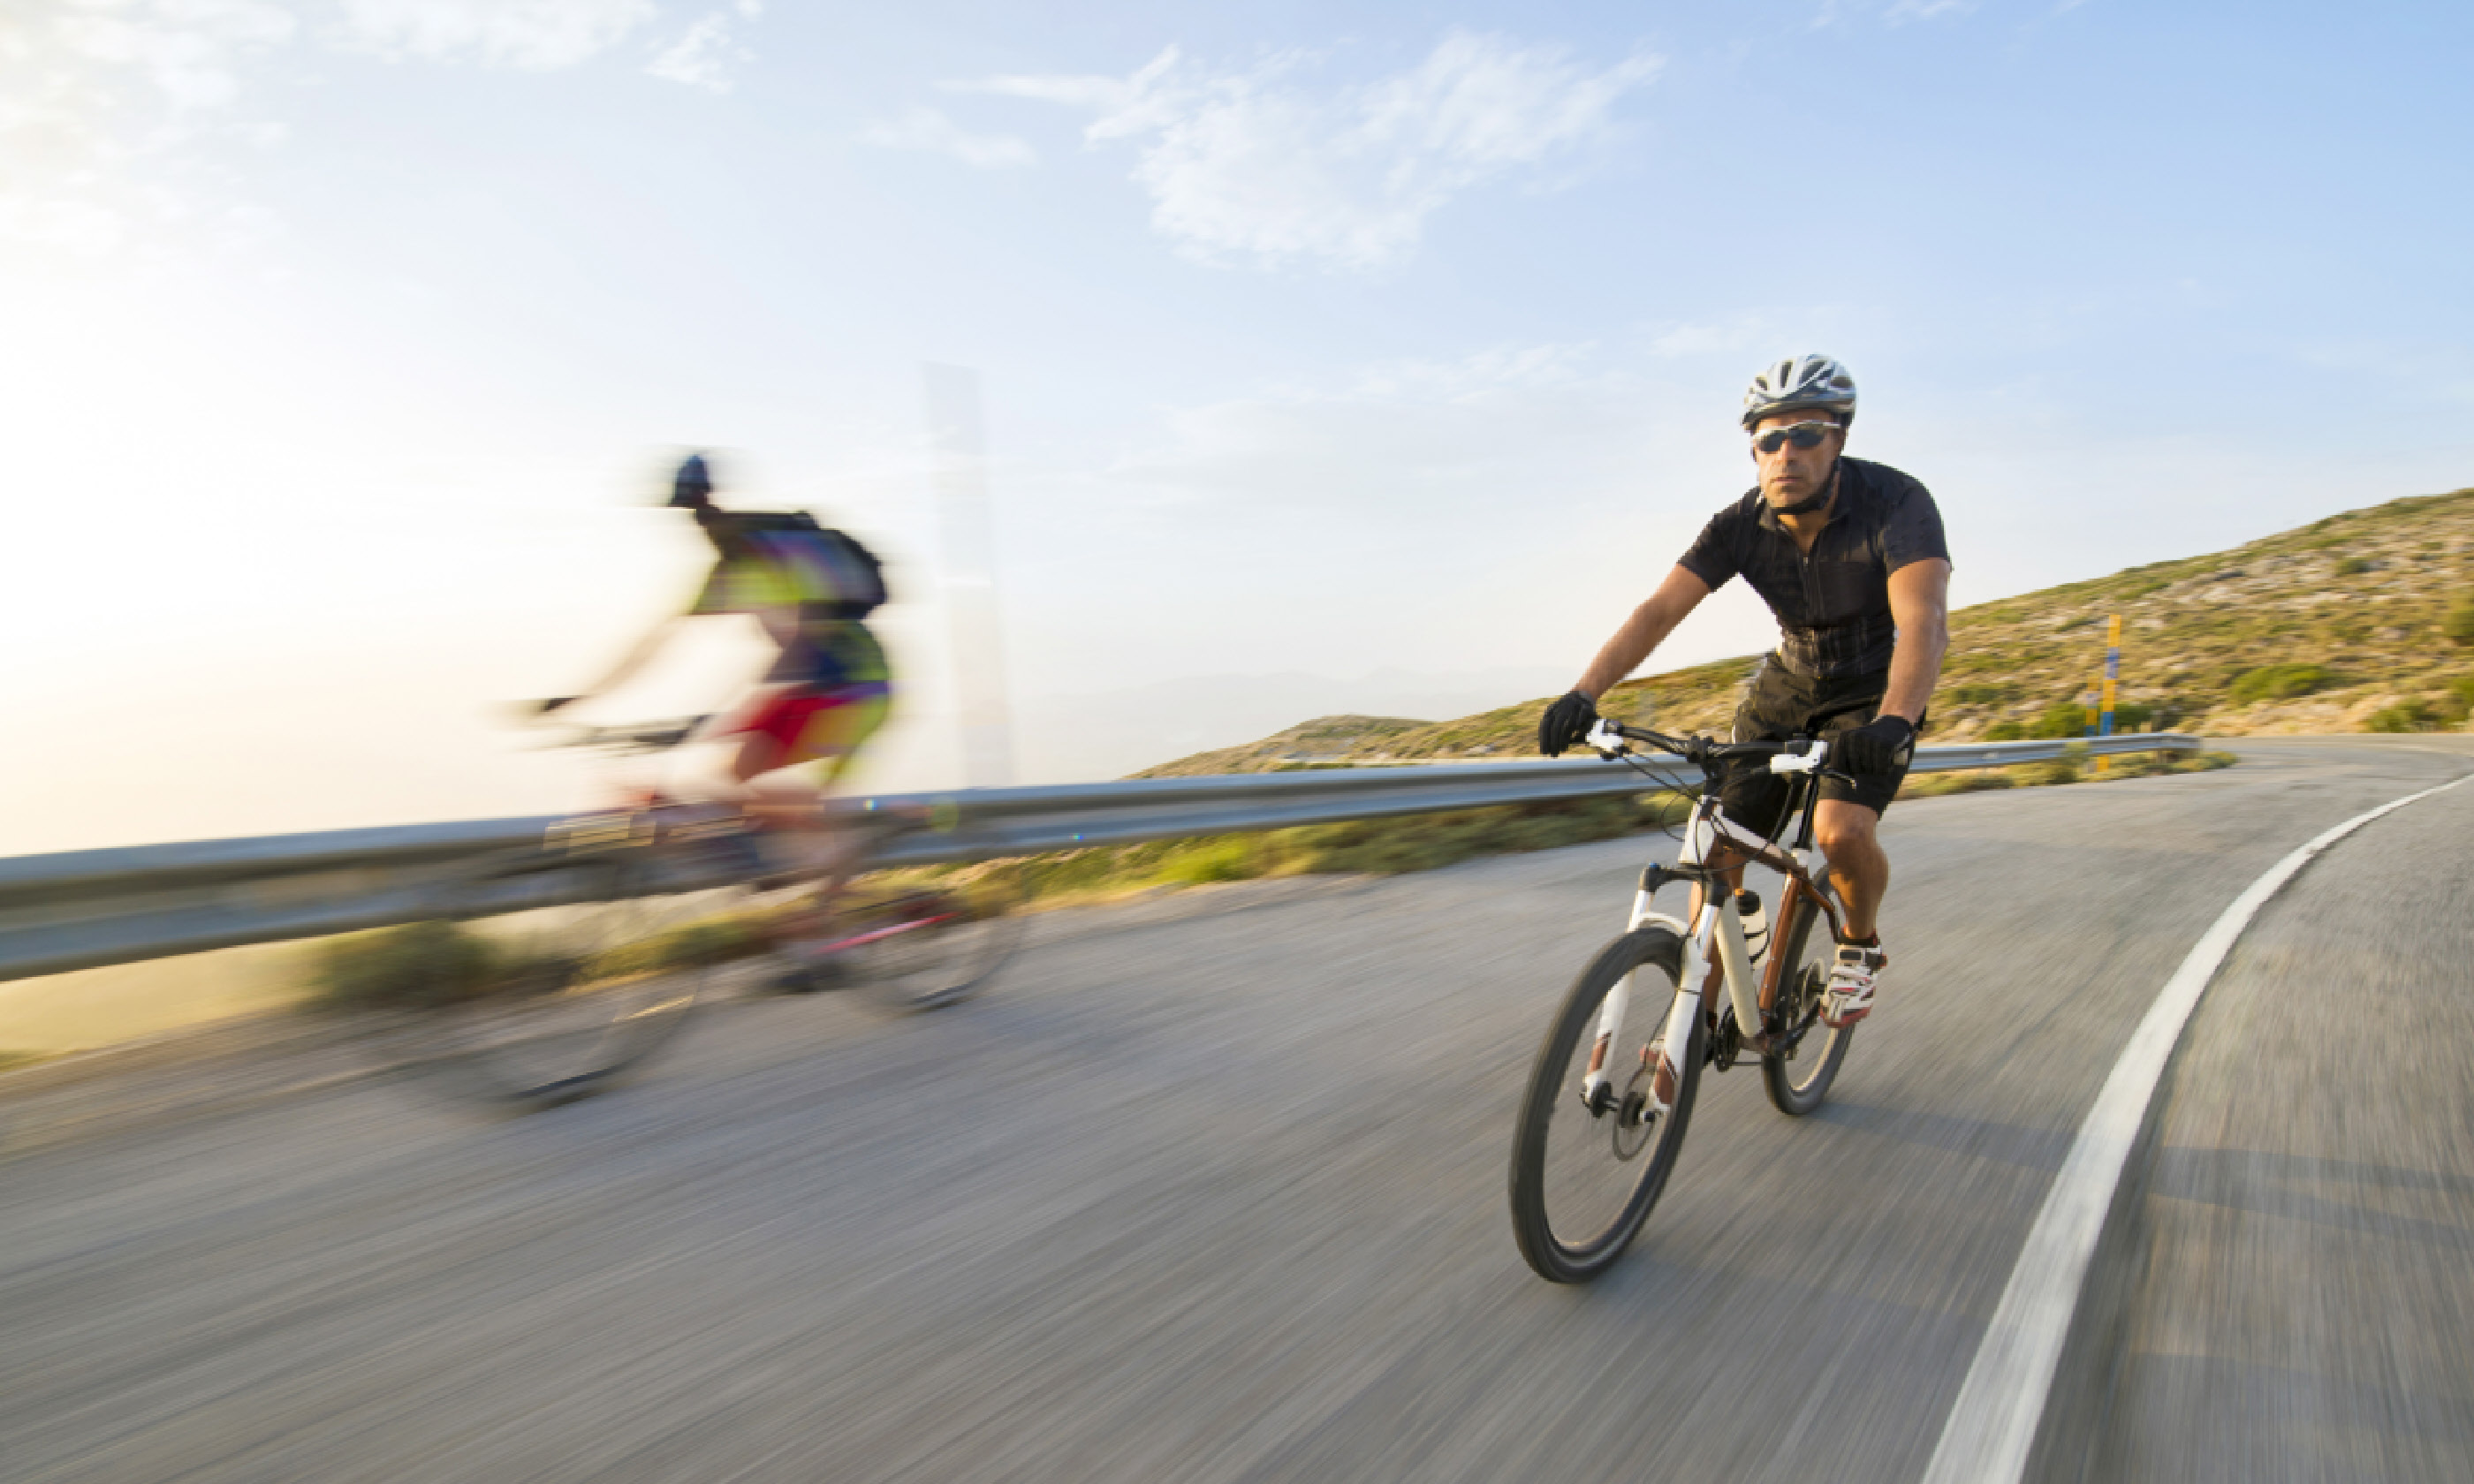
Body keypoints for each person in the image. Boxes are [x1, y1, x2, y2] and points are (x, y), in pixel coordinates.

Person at [1536, 355, 1951, 1027]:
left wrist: (1897, 721)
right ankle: (1694, 1018)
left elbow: (1922, 619)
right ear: (1753, 448)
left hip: (1873, 688)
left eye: (1806, 434)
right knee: (1718, 843)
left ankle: (1858, 944)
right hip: (1789, 682)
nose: (1786, 452)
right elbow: (1659, 611)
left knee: (1839, 832)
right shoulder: (1737, 525)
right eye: (1768, 438)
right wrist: (1583, 694)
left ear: (1839, 439)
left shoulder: (1898, 504)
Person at [541, 452, 894, 835]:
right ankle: (819, 866)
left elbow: (800, 647)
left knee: (725, 785)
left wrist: (709, 715)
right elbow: (657, 643)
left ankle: (836, 858)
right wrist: (577, 699)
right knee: (728, 784)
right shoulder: (736, 566)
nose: (695, 523)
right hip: (842, 685)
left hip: (846, 690)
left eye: (692, 510)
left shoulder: (756, 562)